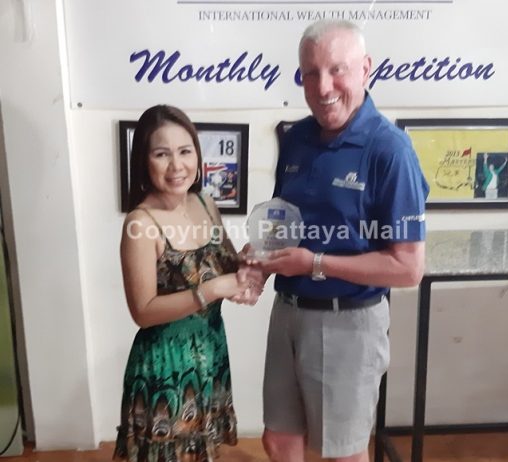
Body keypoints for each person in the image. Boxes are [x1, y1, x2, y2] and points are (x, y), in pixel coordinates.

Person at [254, 20, 429, 462]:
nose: (323, 87)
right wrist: (257, 261)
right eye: (310, 73)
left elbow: (408, 268)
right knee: (279, 440)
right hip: (287, 312)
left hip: (348, 321)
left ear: (366, 69)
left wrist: (314, 263)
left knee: (342, 454)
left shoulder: (391, 150)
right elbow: (283, 223)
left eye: (338, 70)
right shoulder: (296, 138)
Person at [113, 105, 261, 462]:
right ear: (144, 161)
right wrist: (211, 290)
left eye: (185, 151)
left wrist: (249, 261)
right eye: (162, 154)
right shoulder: (140, 224)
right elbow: (142, 311)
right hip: (165, 366)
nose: (176, 165)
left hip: (210, 353)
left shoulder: (205, 202)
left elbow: (224, 262)